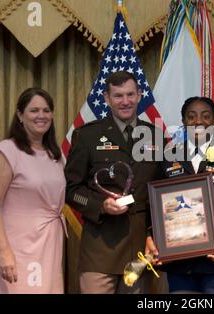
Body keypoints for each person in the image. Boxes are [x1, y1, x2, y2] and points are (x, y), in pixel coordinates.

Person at [64, 71, 163, 293]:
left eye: (130, 94)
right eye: (118, 96)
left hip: (139, 250)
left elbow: (160, 189)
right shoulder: (88, 136)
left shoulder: (155, 135)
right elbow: (71, 190)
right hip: (100, 249)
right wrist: (100, 205)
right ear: (107, 98)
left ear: (139, 95)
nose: (125, 101)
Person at [146, 96, 214, 294]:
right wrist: (152, 236)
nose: (198, 122)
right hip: (180, 264)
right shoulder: (168, 156)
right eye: (191, 116)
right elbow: (155, 204)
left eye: (206, 116)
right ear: (183, 122)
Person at [0, 87, 66, 293]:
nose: (41, 116)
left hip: (48, 246)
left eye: (46, 110)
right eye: (34, 110)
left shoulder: (56, 155)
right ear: (20, 115)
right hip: (17, 248)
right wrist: (3, 251)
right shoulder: (7, 151)